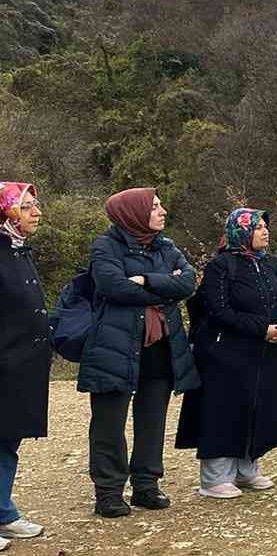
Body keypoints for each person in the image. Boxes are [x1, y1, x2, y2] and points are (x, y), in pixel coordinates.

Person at [79, 187, 200, 517]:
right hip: (114, 347)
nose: (162, 212)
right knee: (108, 424)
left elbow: (188, 283)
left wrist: (145, 279)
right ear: (134, 213)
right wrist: (165, 287)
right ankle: (108, 492)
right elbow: (112, 286)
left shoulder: (166, 245)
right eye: (154, 207)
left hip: (160, 347)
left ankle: (146, 485)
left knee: (152, 419)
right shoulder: (105, 245)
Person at [176, 208, 277, 498]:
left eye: (265, 226)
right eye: (258, 227)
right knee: (224, 409)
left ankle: (247, 469)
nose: (265, 231)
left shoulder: (272, 263)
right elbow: (217, 310)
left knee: (258, 406)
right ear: (241, 232)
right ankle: (215, 478)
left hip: (267, 351)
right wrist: (262, 329)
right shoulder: (221, 266)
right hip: (226, 353)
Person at [0, 183, 50, 545]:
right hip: (4, 363)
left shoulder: (18, 250)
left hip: (20, 365)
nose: (37, 212)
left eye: (35, 205)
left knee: (7, 438)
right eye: (27, 206)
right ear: (6, 211)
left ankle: (3, 513)